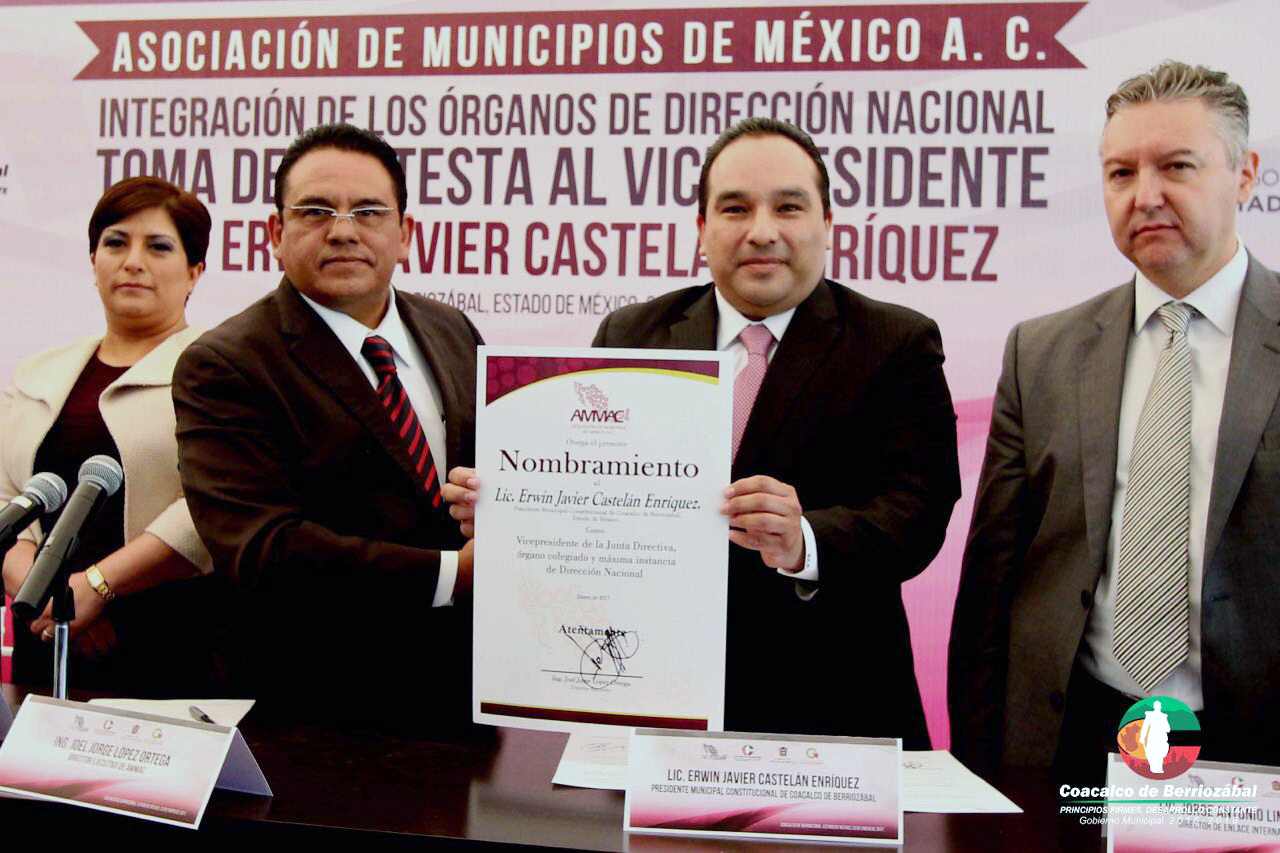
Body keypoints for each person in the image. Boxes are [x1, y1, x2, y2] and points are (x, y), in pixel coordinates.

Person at [449, 117, 961, 744]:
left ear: (828, 225)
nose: (761, 231)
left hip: (828, 710)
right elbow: (596, 497)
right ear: (702, 230)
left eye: (789, 207)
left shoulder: (895, 341)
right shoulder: (631, 335)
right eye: (735, 208)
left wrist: (804, 541)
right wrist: (520, 514)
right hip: (650, 706)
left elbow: (918, 512)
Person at [948, 61, 1280, 778]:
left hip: (1252, 751)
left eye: (1176, 166)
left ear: (1246, 175)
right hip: (1074, 734)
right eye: (1120, 173)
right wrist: (977, 771)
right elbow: (990, 588)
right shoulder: (1042, 352)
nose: (1145, 195)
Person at [173, 124, 481, 725]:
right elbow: (262, 549)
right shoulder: (226, 363)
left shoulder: (453, 332)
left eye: (368, 211)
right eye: (315, 211)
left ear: (406, 234)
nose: (343, 230)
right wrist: (452, 574)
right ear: (275, 234)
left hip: (459, 696)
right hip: (312, 708)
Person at [0, 176, 219, 695]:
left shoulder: (222, 371)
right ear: (93, 261)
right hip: (45, 636)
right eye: (116, 243)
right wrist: (46, 593)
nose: (133, 261)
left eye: (158, 246)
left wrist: (96, 587)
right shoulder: (39, 370)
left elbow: (212, 505)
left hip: (173, 641)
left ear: (195, 271)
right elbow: (7, 496)